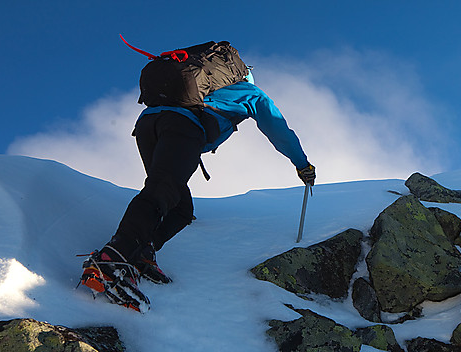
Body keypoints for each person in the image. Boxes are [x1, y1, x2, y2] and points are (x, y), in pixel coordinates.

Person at [79, 68, 315, 311]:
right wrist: (302, 164)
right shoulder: (249, 92)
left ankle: (141, 251)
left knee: (180, 208)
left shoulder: (193, 91)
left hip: (148, 124)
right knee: (164, 189)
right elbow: (278, 130)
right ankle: (113, 257)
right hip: (182, 126)